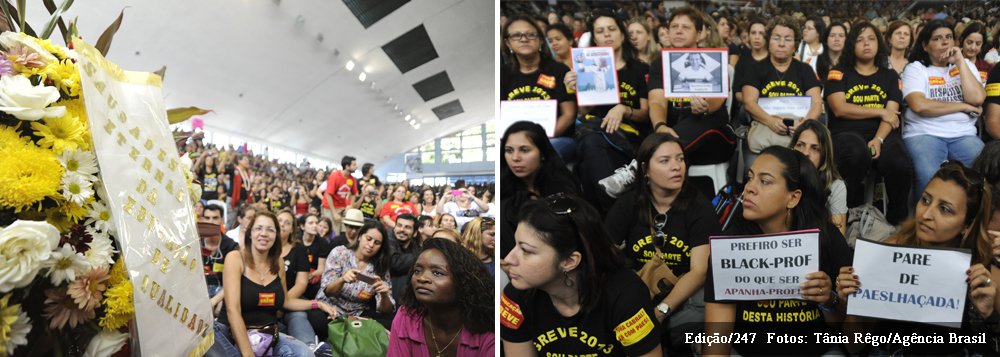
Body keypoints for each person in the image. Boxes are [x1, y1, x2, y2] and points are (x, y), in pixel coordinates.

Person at [835, 162, 997, 355]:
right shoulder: (887, 253)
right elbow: (854, 347)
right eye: (925, 200)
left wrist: (988, 314)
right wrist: (853, 308)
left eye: (945, 209)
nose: (926, 214)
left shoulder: (985, 267)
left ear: (967, 225)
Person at [704, 146, 853, 356]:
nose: (749, 188)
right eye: (750, 178)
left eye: (764, 181)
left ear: (793, 198)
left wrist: (830, 301)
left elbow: (851, 335)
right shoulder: (729, 246)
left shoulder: (826, 238)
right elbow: (717, 342)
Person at [501, 193, 664, 356]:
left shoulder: (625, 294)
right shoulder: (514, 297)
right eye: (515, 245)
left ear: (569, 261)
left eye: (526, 251)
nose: (509, 258)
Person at [603, 133, 718, 352]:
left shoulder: (699, 207)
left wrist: (661, 311)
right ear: (645, 169)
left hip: (686, 295)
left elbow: (699, 271)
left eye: (680, 159)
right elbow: (606, 254)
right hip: (640, 291)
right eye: (665, 161)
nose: (677, 167)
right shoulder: (629, 204)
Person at [207, 211, 337, 357]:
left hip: (268, 335)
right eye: (258, 228)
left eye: (270, 229)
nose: (264, 233)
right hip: (232, 334)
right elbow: (233, 310)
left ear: (276, 235)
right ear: (250, 233)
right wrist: (248, 354)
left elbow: (286, 301)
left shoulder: (279, 263)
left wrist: (317, 304)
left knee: (304, 353)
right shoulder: (235, 258)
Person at [826, 21, 913, 225]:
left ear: (879, 44)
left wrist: (879, 139)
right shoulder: (838, 72)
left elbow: (892, 116)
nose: (866, 43)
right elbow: (840, 108)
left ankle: (896, 222)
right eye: (860, 39)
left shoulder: (889, 76)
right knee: (855, 154)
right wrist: (880, 111)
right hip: (846, 134)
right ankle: (849, 214)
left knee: (900, 164)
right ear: (851, 45)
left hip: (882, 134)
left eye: (871, 39)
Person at [564, 9, 650, 212]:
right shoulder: (587, 66)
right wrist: (578, 88)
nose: (607, 35)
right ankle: (616, 220)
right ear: (594, 37)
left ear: (622, 32)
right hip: (595, 133)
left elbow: (646, 113)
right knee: (589, 152)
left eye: (612, 29)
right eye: (601, 31)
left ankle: (606, 229)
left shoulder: (639, 68)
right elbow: (584, 112)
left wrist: (623, 109)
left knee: (587, 162)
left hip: (627, 138)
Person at [644, 6, 735, 189]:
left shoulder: (713, 59)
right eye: (674, 26)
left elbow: (717, 101)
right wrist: (660, 126)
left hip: (714, 137)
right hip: (676, 137)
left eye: (685, 27)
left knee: (698, 121)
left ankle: (638, 166)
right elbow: (656, 101)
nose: (678, 31)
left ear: (700, 33)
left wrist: (704, 107)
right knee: (668, 135)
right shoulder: (659, 64)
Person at [902, 19, 986, 196]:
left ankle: (974, 220)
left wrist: (960, 62)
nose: (945, 41)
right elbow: (919, 105)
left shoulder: (966, 66)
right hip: (924, 133)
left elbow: (977, 99)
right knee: (929, 178)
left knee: (986, 171)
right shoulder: (915, 69)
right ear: (925, 45)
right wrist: (962, 106)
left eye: (949, 37)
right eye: (938, 38)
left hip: (963, 134)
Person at [387, 239, 494, 356]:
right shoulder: (407, 316)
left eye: (437, 273)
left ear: (463, 282)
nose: (422, 278)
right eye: (417, 270)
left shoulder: (487, 334)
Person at [501, 15, 578, 161]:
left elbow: (568, 115)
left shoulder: (559, 70)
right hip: (514, 142)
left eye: (530, 34)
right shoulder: (503, 75)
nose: (524, 39)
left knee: (537, 156)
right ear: (508, 43)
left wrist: (538, 142)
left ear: (541, 40)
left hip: (556, 138)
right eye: (516, 35)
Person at [500, 121, 579, 259]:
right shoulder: (503, 192)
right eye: (509, 150)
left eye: (524, 150)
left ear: (542, 153)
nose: (515, 158)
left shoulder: (564, 187)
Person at [742, 16, 824, 146]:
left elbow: (817, 103)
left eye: (787, 39)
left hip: (799, 129)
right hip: (765, 128)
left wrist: (804, 125)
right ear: (768, 42)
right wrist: (770, 121)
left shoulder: (805, 70)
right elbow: (749, 102)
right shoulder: (755, 69)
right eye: (776, 38)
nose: (781, 44)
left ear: (795, 45)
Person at [317, 220, 395, 326]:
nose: (371, 245)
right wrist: (342, 280)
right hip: (330, 306)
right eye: (368, 239)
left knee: (389, 322)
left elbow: (386, 310)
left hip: (358, 313)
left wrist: (384, 294)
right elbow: (328, 292)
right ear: (359, 237)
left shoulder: (380, 266)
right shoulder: (340, 253)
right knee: (318, 321)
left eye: (377, 243)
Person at [789, 121, 848, 234]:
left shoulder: (835, 186)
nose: (805, 153)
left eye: (815, 148)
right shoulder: (780, 177)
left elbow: (839, 236)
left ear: (824, 155)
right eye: (800, 145)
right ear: (792, 147)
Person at [274, 209, 315, 346]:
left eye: (287, 223)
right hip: (266, 299)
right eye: (279, 221)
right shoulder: (263, 247)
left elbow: (301, 283)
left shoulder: (299, 250)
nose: (282, 225)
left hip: (292, 297)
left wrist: (283, 303)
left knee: (298, 315)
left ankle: (310, 348)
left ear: (292, 229)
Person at [199, 221, 238, 316]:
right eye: (207, 218)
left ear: (221, 220)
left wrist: (218, 300)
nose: (211, 221)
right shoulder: (194, 241)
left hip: (223, 290)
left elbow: (234, 281)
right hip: (198, 290)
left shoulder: (232, 246)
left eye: (215, 218)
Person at [388, 214, 420, 303]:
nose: (402, 229)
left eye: (407, 227)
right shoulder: (388, 239)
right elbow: (396, 263)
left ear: (415, 233)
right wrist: (421, 256)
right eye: (399, 225)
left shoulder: (415, 247)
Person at [300, 214, 331, 302]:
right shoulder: (296, 241)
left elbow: (321, 268)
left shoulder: (322, 243)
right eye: (311, 223)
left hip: (313, 277)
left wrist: (311, 275)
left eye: (316, 223)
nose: (315, 225)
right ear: (302, 226)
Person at [324, 155, 359, 234]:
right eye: (354, 165)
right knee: (334, 232)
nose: (356, 167)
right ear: (347, 166)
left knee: (345, 230)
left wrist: (350, 206)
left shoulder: (352, 179)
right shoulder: (335, 176)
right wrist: (334, 213)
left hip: (342, 207)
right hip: (330, 207)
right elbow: (328, 195)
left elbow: (353, 194)